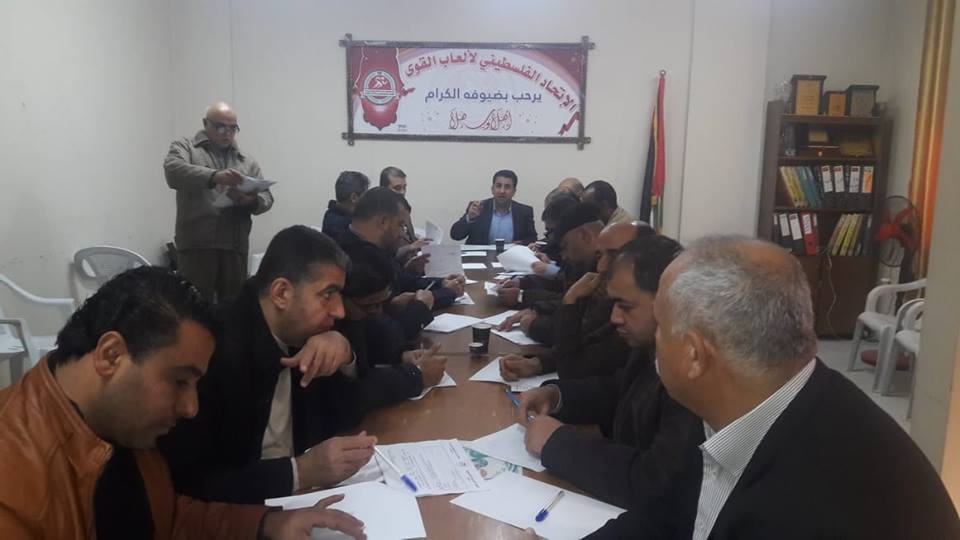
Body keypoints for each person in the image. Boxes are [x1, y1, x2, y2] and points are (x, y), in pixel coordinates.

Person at [589, 235, 960, 538]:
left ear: (694, 355)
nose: (654, 341)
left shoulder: (815, 505)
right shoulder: (745, 406)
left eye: (660, 327)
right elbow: (665, 516)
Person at [0, 267, 365, 539]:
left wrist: (269, 523)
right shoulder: (15, 483)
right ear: (111, 355)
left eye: (194, 385)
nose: (190, 407)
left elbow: (166, 518)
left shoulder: (119, 423)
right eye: (178, 382)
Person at [159, 226, 378, 505]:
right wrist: (302, 471)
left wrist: (345, 352)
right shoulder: (212, 351)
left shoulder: (303, 331)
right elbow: (192, 483)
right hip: (247, 513)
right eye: (328, 294)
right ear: (281, 293)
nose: (340, 310)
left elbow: (345, 412)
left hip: (306, 497)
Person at [515, 235, 702, 513]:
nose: (615, 317)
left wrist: (559, 445)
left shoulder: (694, 376)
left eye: (626, 307)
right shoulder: (649, 346)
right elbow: (617, 391)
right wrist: (555, 395)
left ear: (670, 302)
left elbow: (657, 483)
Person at [500, 221, 651, 380]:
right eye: (599, 256)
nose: (601, 267)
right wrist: (538, 364)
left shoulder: (646, 316)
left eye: (615, 256)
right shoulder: (610, 296)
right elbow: (587, 347)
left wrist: (570, 301)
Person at [164, 101, 274, 302]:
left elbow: (266, 197)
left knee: (234, 309)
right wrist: (214, 176)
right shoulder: (186, 148)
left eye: (233, 128)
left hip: (235, 246)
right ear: (205, 123)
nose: (228, 133)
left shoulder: (246, 161)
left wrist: (250, 201)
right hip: (197, 246)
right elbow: (173, 171)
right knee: (194, 307)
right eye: (221, 127)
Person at [449, 169, 537, 245]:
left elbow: (532, 238)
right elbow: (455, 235)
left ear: (514, 191)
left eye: (507, 187)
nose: (502, 191)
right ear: (492, 189)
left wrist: (521, 243)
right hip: (480, 258)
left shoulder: (524, 212)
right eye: (498, 186)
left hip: (510, 257)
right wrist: (469, 218)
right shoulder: (478, 208)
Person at [322, 171, 371, 241]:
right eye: (365, 195)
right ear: (354, 197)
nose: (367, 200)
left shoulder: (331, 214)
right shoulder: (343, 227)